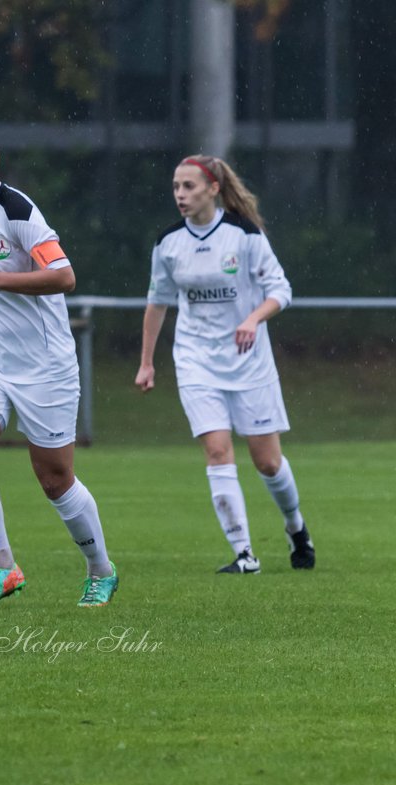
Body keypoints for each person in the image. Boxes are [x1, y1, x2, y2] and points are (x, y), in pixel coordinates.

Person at [0, 121, 119, 608]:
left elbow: (64, 276)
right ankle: (3, 567)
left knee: (54, 479)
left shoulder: (18, 210)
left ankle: (101, 570)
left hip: (45, 363)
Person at [136, 154, 314, 574]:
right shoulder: (168, 243)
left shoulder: (244, 235)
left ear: (213, 189)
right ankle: (245, 553)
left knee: (268, 462)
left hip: (249, 363)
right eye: (176, 187)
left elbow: (281, 289)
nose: (181, 194)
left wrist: (253, 318)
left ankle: (296, 527)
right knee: (217, 451)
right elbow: (157, 303)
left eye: (190, 187)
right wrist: (146, 362)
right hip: (195, 360)